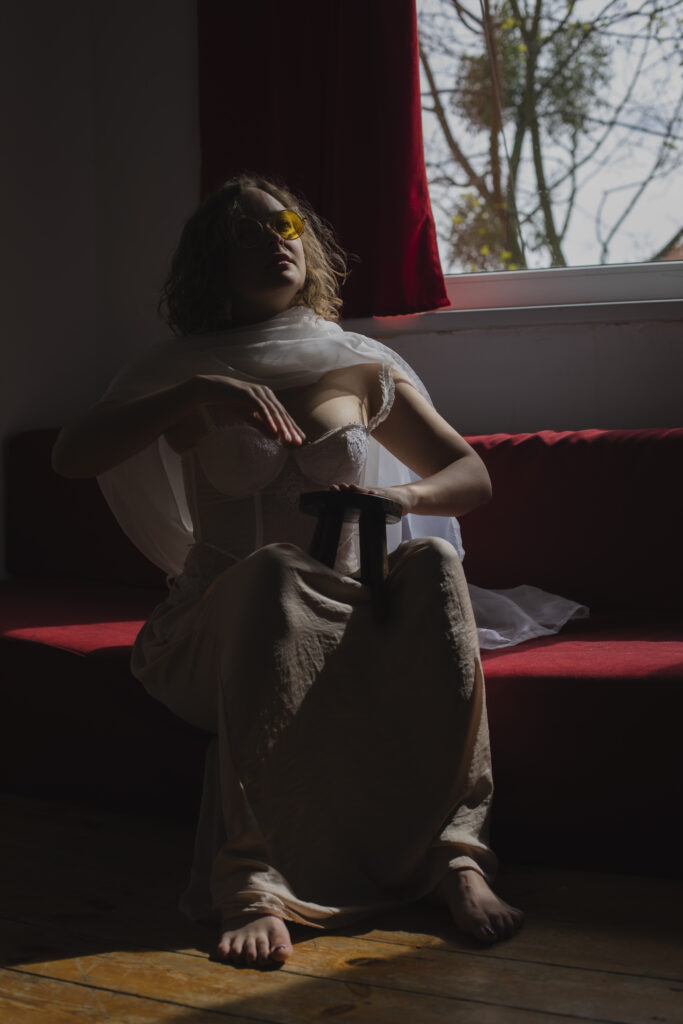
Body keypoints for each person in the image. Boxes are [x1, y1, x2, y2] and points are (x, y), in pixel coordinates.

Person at [52, 175, 545, 968]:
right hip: (223, 626)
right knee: (272, 571)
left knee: (430, 561)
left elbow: (469, 476)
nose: (276, 241)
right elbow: (71, 457)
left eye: (283, 226)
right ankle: (256, 881)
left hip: (347, 621)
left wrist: (397, 497)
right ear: (211, 262)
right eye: (246, 234)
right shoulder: (177, 373)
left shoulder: (358, 365)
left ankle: (457, 858)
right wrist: (193, 391)